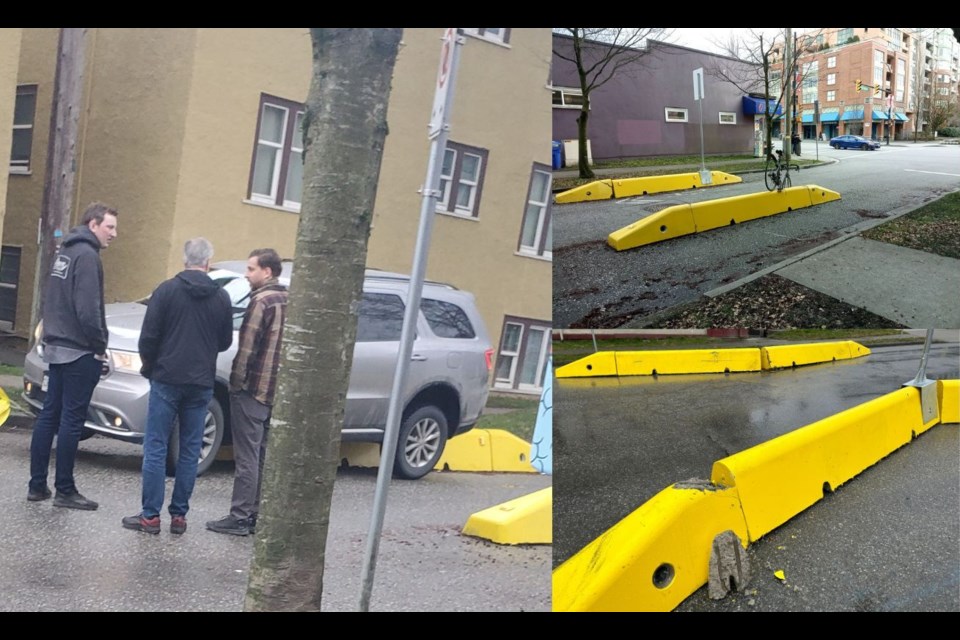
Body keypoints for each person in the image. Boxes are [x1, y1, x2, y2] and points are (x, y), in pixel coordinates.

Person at [122, 238, 233, 535]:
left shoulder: (166, 291)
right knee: (189, 449)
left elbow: (148, 338)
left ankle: (150, 516)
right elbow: (225, 342)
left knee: (156, 446)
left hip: (167, 377)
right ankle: (180, 516)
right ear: (208, 262)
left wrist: (151, 366)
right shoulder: (221, 298)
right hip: (200, 383)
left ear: (184, 260)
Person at [28, 202, 118, 510]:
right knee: (71, 419)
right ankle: (65, 489)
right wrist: (99, 345)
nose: (114, 234)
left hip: (56, 346)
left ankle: (37, 485)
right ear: (93, 224)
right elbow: (88, 309)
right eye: (110, 227)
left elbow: (51, 297)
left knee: (49, 415)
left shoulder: (64, 252)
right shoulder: (87, 256)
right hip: (79, 350)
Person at [206, 248, 288, 537]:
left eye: (251, 269)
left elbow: (247, 349)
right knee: (263, 453)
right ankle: (256, 512)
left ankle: (240, 515)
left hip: (253, 389)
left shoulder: (261, 301)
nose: (246, 273)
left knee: (247, 456)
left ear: (267, 271)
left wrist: (236, 384)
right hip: (276, 390)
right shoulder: (288, 299)